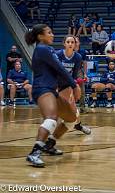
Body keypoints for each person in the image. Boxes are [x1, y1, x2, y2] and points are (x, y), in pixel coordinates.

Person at [24, 24, 79, 167]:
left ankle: (49, 144)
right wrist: (74, 85)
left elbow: (56, 72)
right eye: (49, 32)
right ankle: (34, 153)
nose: (52, 35)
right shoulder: (42, 49)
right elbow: (59, 68)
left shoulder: (47, 49)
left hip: (51, 89)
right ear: (40, 36)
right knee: (51, 118)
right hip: (42, 88)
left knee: (72, 118)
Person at [56, 35, 91, 135]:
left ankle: (78, 125)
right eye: (68, 42)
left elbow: (74, 74)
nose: (70, 44)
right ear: (64, 44)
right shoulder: (58, 54)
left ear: (75, 44)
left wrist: (74, 85)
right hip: (56, 83)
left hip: (67, 84)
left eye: (72, 42)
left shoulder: (78, 57)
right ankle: (51, 130)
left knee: (72, 107)